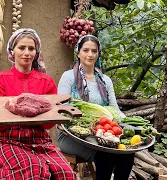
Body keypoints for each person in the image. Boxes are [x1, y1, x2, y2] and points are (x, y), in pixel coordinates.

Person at [0, 28, 76, 180]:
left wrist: (39, 114)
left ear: (37, 52)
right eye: (21, 48)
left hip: (40, 140)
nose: (27, 53)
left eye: (31, 48)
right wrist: (19, 110)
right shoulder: (0, 79)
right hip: (7, 140)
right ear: (12, 51)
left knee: (66, 173)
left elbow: (48, 125)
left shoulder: (46, 81)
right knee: (34, 169)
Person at [57, 35, 135, 180]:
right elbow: (62, 109)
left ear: (98, 53)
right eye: (86, 50)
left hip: (101, 134)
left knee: (127, 154)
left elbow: (114, 109)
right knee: (106, 155)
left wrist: (130, 123)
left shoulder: (105, 80)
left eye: (94, 51)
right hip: (72, 135)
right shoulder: (68, 77)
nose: (90, 54)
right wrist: (73, 125)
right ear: (78, 52)